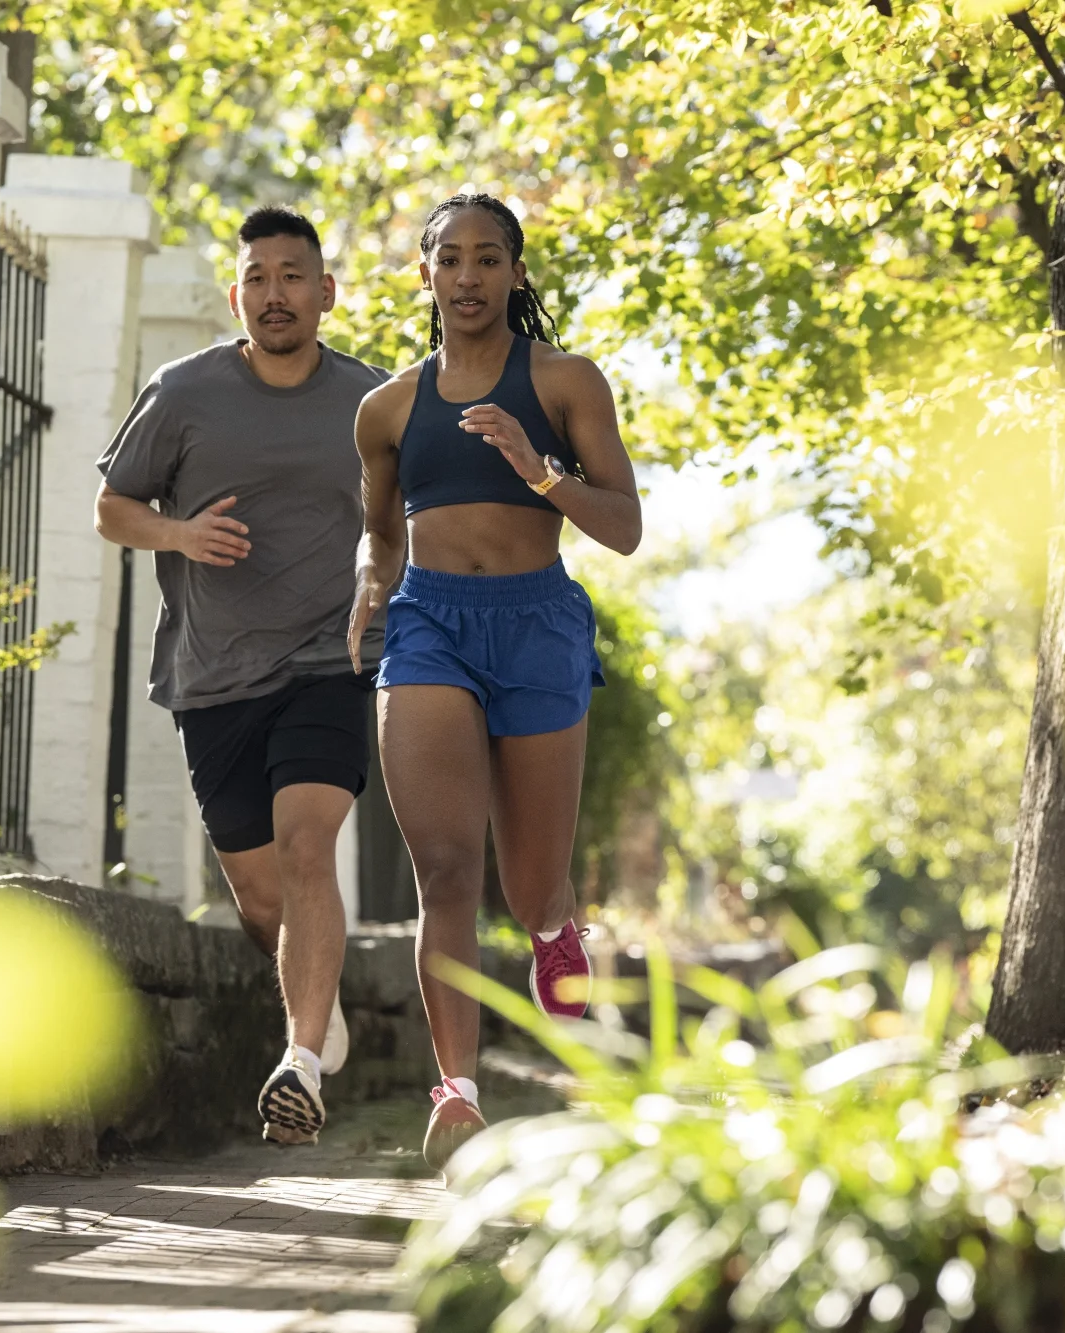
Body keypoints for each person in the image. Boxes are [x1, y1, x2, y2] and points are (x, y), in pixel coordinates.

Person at [348, 192, 643, 1172]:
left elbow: (623, 527)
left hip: (537, 626)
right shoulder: (386, 408)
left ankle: (558, 928)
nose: (467, 277)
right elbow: (381, 528)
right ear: (425, 275)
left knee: (525, 885)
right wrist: (368, 587)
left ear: (515, 274)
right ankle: (458, 1091)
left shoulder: (565, 382)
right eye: (449, 260)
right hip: (428, 621)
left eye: (487, 260)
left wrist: (539, 470)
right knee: (442, 868)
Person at [94, 205, 389, 1146]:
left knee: (309, 849)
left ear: (326, 293)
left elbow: (413, 520)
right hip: (215, 674)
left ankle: (299, 1061)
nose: (275, 294)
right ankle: (319, 999)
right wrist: (179, 533)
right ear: (237, 295)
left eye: (293, 276)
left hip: (330, 662)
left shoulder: (373, 402)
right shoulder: (183, 392)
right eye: (258, 277)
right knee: (264, 901)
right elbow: (112, 508)